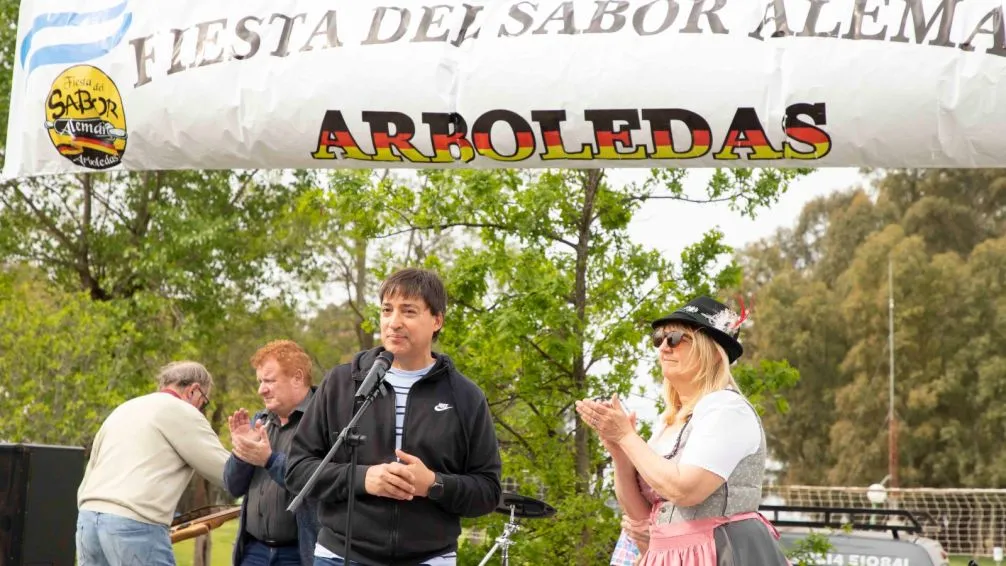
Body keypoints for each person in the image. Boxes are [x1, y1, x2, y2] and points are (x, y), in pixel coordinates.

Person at [285, 267, 503, 566]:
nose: (394, 322)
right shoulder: (340, 384)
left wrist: (434, 484)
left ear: (437, 320)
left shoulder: (465, 397)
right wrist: (364, 478)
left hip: (429, 559)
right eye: (387, 310)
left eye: (409, 311)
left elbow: (488, 491)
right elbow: (297, 470)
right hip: (340, 556)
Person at [576, 296, 789, 566]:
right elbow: (641, 518)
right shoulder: (668, 423)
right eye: (659, 339)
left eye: (675, 338)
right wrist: (620, 451)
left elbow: (686, 490)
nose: (663, 347)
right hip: (670, 556)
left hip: (719, 553)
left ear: (712, 351)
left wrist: (627, 437)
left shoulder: (726, 407)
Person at [76, 361, 230, 566]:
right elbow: (226, 472)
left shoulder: (123, 409)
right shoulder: (182, 411)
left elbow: (91, 470)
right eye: (204, 403)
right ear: (194, 390)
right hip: (134, 523)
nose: (202, 410)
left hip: (88, 521)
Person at [225, 340, 321, 566]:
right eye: (260, 382)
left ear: (297, 378)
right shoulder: (261, 421)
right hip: (253, 552)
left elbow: (318, 482)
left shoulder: (322, 420)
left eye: (269, 380)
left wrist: (269, 460)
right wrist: (242, 451)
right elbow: (232, 487)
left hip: (298, 555)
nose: (261, 390)